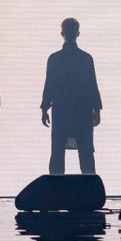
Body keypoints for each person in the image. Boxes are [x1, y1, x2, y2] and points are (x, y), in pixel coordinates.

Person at [41, 18, 102, 174]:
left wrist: (45, 108)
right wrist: (96, 109)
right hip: (82, 110)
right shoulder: (86, 58)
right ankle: (89, 185)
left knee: (57, 152)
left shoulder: (54, 59)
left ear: (62, 33)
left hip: (61, 110)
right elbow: (92, 85)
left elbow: (49, 85)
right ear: (78, 33)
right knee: (86, 153)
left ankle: (56, 185)